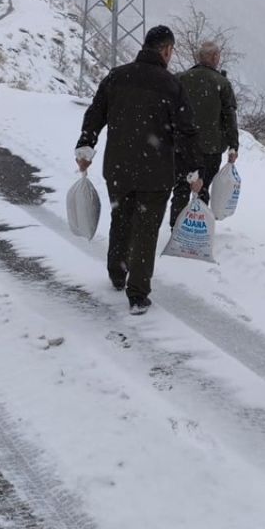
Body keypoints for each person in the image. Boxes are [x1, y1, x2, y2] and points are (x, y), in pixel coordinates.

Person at [75, 26, 203, 315]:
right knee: (146, 230)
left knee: (121, 217)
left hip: (118, 167)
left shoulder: (117, 77)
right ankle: (137, 293)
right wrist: (193, 171)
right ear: (166, 50)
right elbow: (187, 132)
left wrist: (85, 147)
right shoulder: (171, 85)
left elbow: (95, 113)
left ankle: (117, 273)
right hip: (155, 173)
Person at [169, 40, 240, 227]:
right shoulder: (222, 83)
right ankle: (194, 228)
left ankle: (176, 226)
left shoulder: (180, 79)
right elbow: (229, 117)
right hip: (210, 148)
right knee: (203, 187)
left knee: (181, 187)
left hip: (181, 146)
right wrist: (233, 146)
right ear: (215, 57)